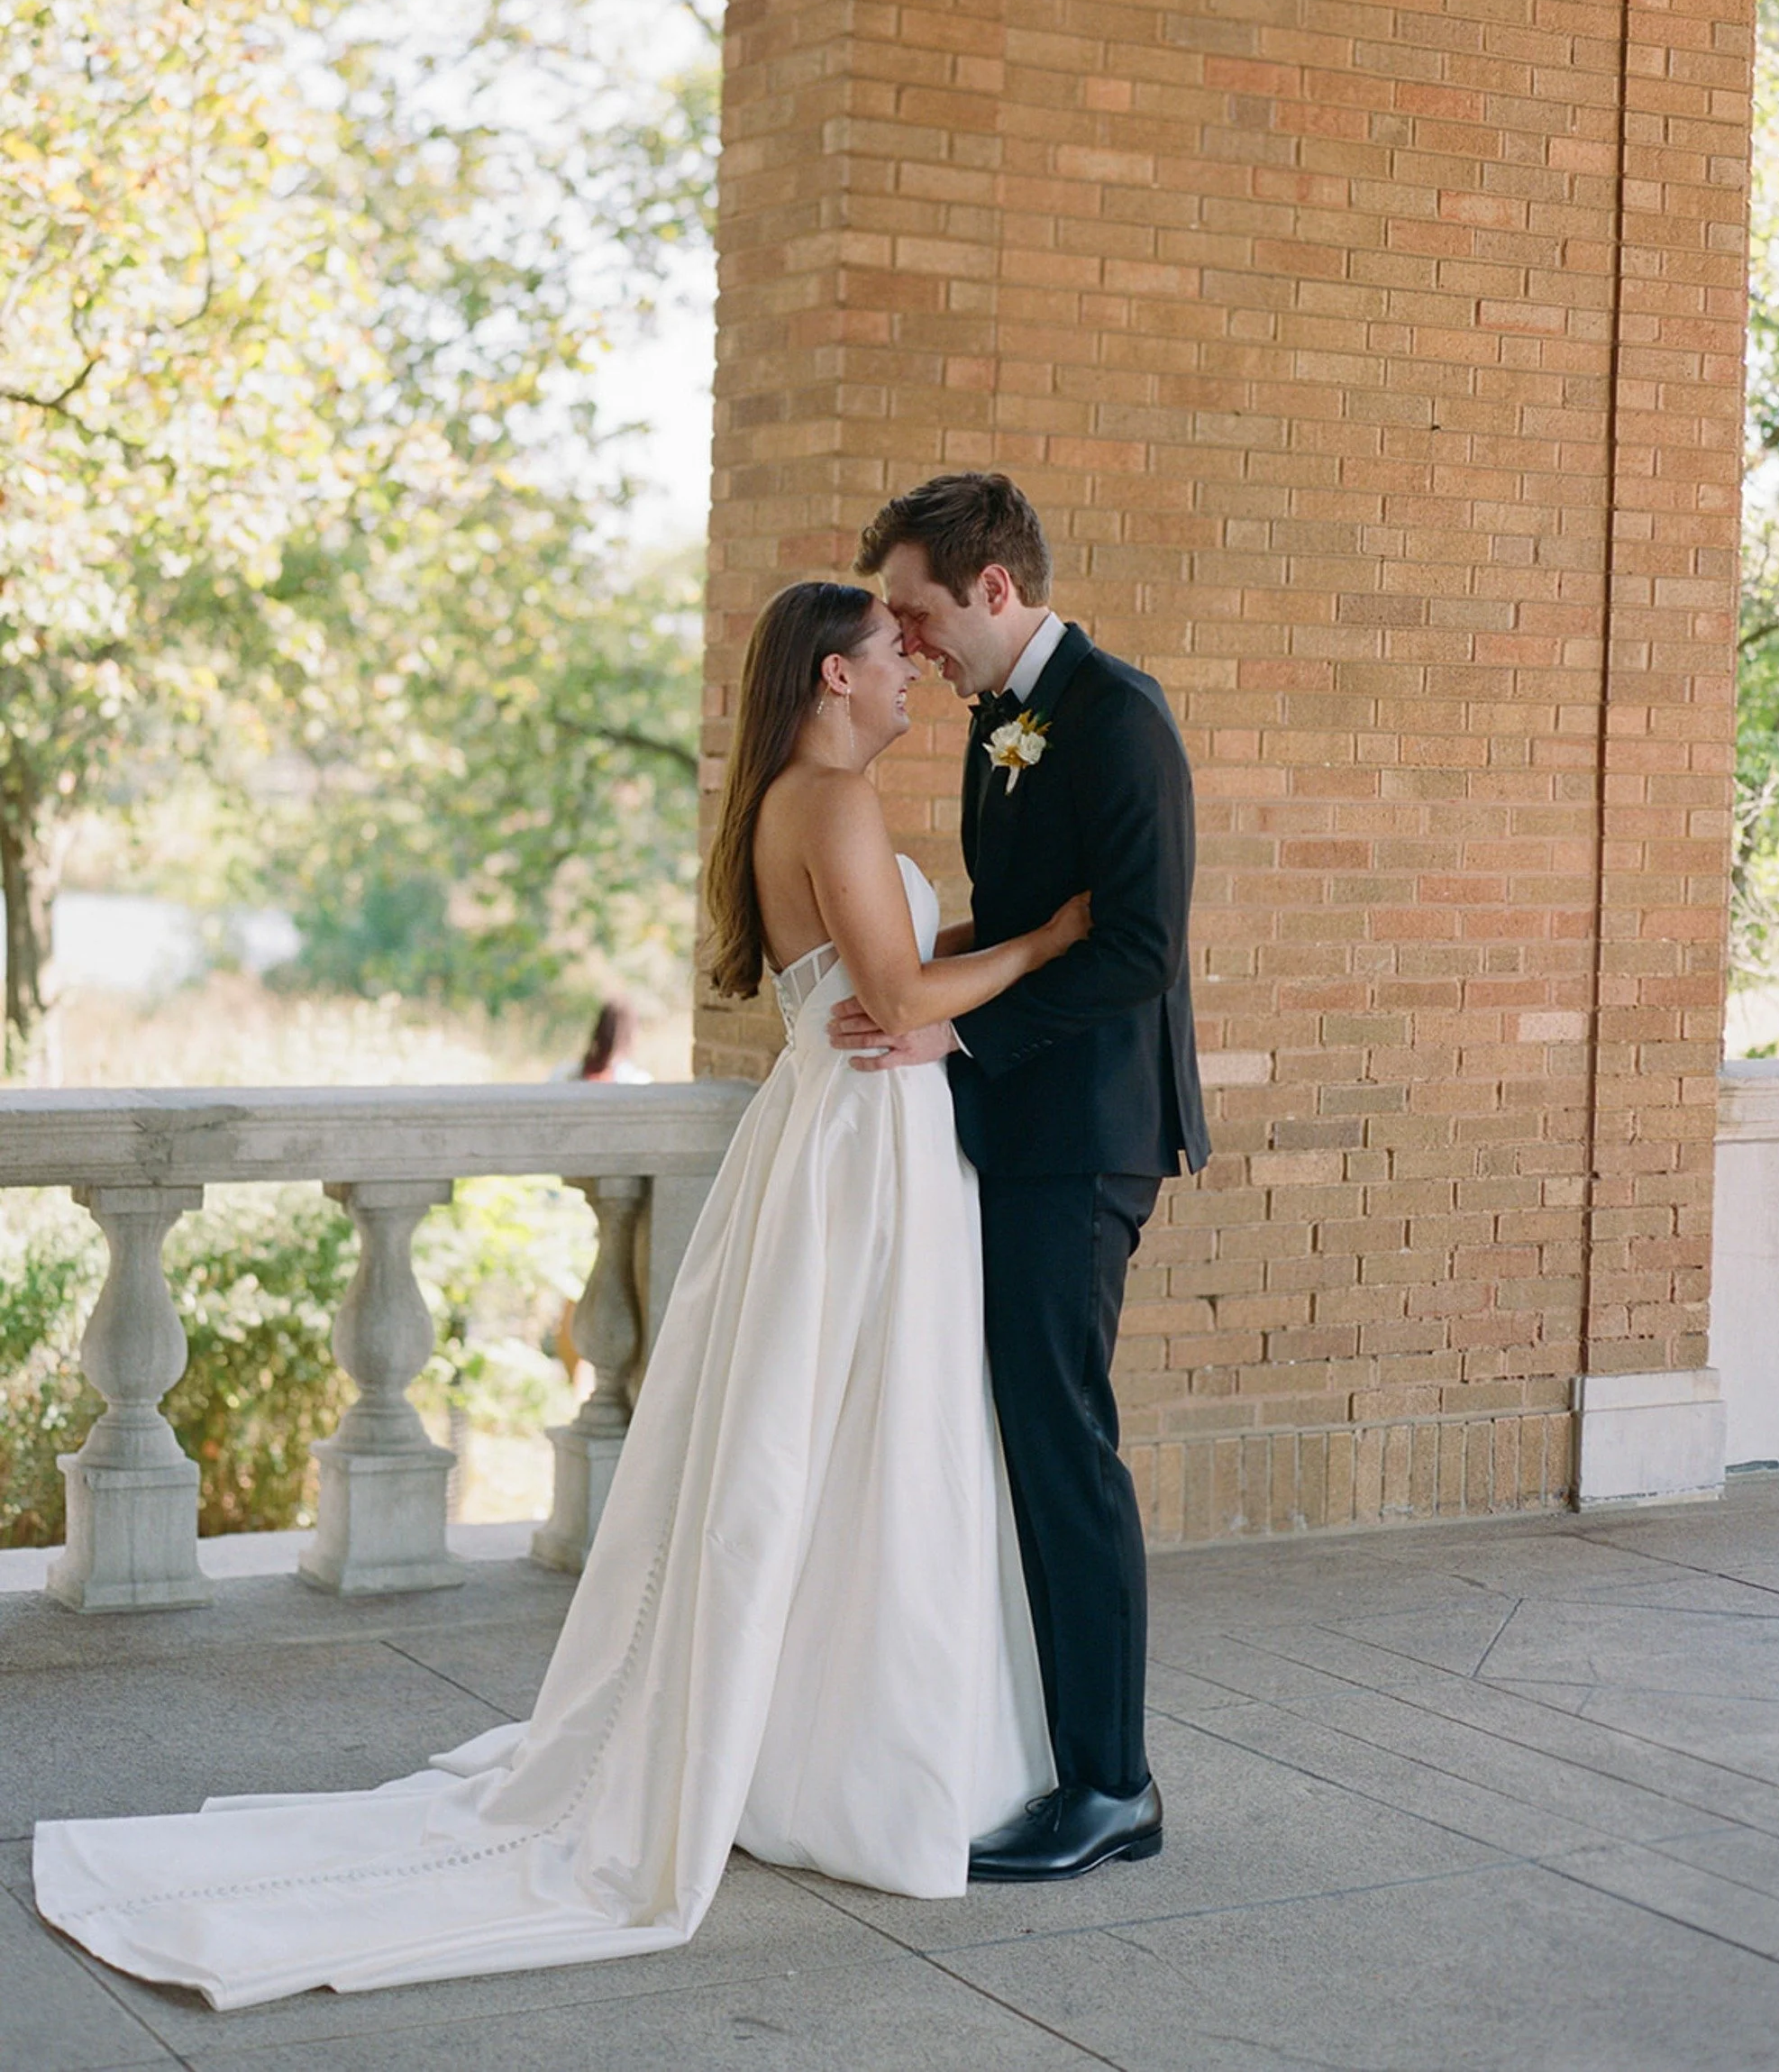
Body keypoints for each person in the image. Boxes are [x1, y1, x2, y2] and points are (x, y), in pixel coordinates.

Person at [32, 581, 1088, 2010]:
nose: (915, 673)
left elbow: (878, 989)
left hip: (844, 1132)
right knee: (862, 1438)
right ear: (834, 678)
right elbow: (896, 1004)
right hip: (862, 1144)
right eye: (893, 656)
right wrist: (1049, 940)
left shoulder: (794, 797)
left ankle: (812, 1742)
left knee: (825, 1445)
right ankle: (848, 1757)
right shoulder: (830, 799)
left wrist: (942, 972)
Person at [838, 473, 1209, 1882]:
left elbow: (1138, 949)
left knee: (1066, 1447)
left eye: (921, 613)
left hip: (1091, 1140)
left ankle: (1115, 1786)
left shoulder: (1120, 716)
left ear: (993, 590)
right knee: (1029, 1440)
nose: (910, 641)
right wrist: (924, 988)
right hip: (1022, 1122)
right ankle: (1063, 1760)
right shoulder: (1007, 720)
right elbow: (1033, 918)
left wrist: (956, 1023)